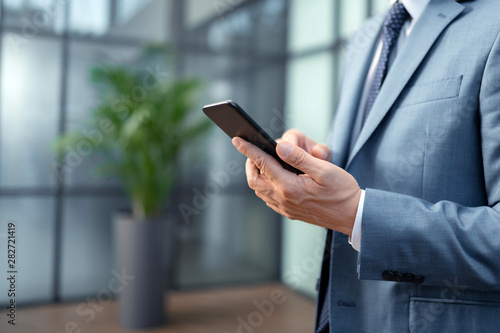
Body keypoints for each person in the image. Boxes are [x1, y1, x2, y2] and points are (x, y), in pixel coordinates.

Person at [232, 0, 500, 331]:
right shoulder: (368, 35)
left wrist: (356, 213)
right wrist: (308, 160)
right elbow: (364, 158)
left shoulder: (494, 24)